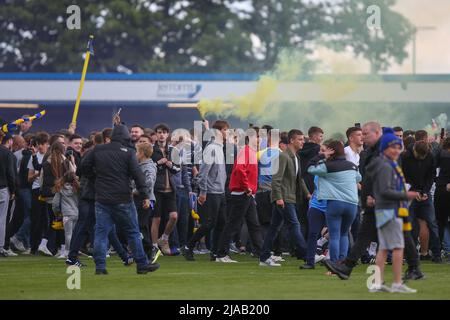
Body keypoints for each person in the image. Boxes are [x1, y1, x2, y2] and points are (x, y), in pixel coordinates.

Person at [324, 122, 424, 280]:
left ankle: (414, 267)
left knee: (399, 234)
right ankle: (346, 267)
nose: (363, 137)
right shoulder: (369, 152)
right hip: (373, 201)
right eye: (361, 134)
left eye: (366, 134)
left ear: (377, 133)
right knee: (367, 234)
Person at [81, 119, 160, 275]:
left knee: (101, 233)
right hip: (123, 197)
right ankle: (142, 264)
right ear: (125, 137)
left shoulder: (97, 150)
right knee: (132, 232)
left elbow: (84, 167)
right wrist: (145, 196)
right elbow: (138, 176)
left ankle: (100, 267)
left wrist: (95, 177)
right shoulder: (129, 152)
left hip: (102, 198)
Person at [369, 127, 419, 293]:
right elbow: (385, 191)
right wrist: (406, 195)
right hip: (390, 210)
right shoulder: (386, 166)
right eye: (393, 146)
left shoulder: (385, 164)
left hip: (385, 210)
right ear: (384, 148)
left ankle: (377, 283)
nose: (397, 150)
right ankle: (397, 283)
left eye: (399, 146)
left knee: (383, 248)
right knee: (398, 247)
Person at [259, 129, 309, 267]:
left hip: (290, 197)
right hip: (284, 197)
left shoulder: (295, 157)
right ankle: (307, 255)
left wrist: (307, 194)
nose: (302, 142)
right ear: (292, 140)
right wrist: (278, 197)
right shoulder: (283, 156)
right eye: (300, 139)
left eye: (303, 139)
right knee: (294, 225)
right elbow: (276, 179)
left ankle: (264, 257)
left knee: (274, 227)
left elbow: (300, 179)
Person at [182, 120, 228, 261]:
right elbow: (203, 173)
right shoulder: (212, 148)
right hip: (212, 192)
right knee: (209, 223)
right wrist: (203, 192)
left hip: (220, 192)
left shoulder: (219, 147)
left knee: (221, 223)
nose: (228, 132)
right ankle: (189, 246)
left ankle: (215, 252)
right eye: (225, 130)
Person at [215, 127, 264, 262]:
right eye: (258, 137)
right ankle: (221, 254)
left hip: (246, 193)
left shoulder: (251, 152)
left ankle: (262, 255)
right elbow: (239, 169)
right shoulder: (246, 151)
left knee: (253, 224)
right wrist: (247, 186)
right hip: (242, 193)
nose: (260, 139)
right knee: (233, 224)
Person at [308, 140, 361, 263]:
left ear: (331, 151)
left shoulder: (327, 167)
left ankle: (333, 264)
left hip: (335, 203)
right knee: (344, 234)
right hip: (352, 204)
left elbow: (310, 168)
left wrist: (321, 156)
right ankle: (343, 262)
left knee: (335, 235)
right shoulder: (352, 166)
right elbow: (359, 178)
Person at [401, 140, 442, 262]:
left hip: (424, 193)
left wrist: (424, 191)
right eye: (419, 156)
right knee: (411, 225)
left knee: (432, 224)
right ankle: (411, 255)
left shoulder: (429, 156)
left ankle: (437, 254)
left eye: (423, 157)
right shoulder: (405, 157)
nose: (420, 159)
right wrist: (413, 192)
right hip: (409, 193)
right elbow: (401, 176)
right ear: (414, 150)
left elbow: (431, 175)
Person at [151, 123, 180, 256]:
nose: (161, 134)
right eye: (159, 132)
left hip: (171, 189)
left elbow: (178, 169)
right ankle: (154, 246)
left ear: (168, 134)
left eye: (164, 132)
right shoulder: (151, 150)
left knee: (174, 216)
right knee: (156, 218)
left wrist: (169, 164)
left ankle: (164, 239)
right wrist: (158, 163)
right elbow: (148, 168)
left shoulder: (173, 150)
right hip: (157, 188)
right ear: (156, 135)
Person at [28, 132, 52, 256]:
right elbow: (29, 178)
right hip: (37, 189)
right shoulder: (34, 157)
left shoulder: (50, 156)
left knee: (47, 219)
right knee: (37, 218)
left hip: (47, 190)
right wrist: (39, 174)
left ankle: (47, 245)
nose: (42, 146)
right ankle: (34, 246)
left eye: (44, 144)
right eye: (39, 144)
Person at [134, 143, 157, 260]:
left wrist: (136, 192)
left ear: (142, 153)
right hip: (142, 199)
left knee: (142, 225)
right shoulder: (141, 165)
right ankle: (143, 250)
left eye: (137, 152)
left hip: (144, 200)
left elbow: (149, 183)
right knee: (139, 225)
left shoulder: (148, 166)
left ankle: (149, 250)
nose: (135, 154)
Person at [52, 169, 79, 259]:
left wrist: (57, 212)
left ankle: (68, 251)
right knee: (74, 234)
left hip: (67, 214)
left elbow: (55, 203)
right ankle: (74, 250)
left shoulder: (60, 189)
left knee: (68, 234)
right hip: (76, 213)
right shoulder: (77, 188)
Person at [0, 131, 16, 257]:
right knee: (1, 220)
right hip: (2, 188)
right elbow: (10, 174)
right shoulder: (7, 153)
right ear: (9, 141)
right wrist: (13, 190)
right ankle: (0, 247)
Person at [434, 137, 450, 252]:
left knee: (440, 220)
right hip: (443, 187)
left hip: (441, 188)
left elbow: (432, 170)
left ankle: (438, 250)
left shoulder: (440, 155)